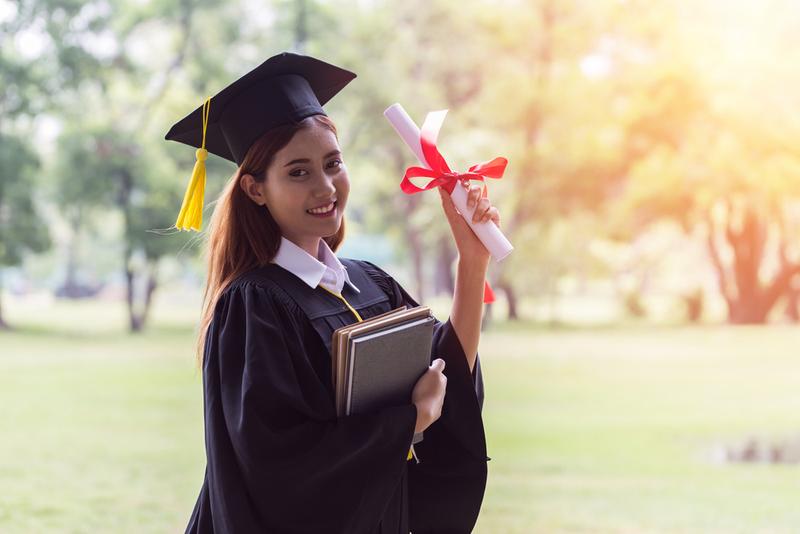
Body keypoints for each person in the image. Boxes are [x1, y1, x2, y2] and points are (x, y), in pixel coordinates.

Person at [165, 52, 498, 534]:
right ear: (256, 189)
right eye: (298, 172)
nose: (325, 186)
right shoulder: (254, 305)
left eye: (332, 163)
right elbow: (277, 464)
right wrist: (409, 422)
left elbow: (447, 373)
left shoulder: (370, 283)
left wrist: (473, 261)